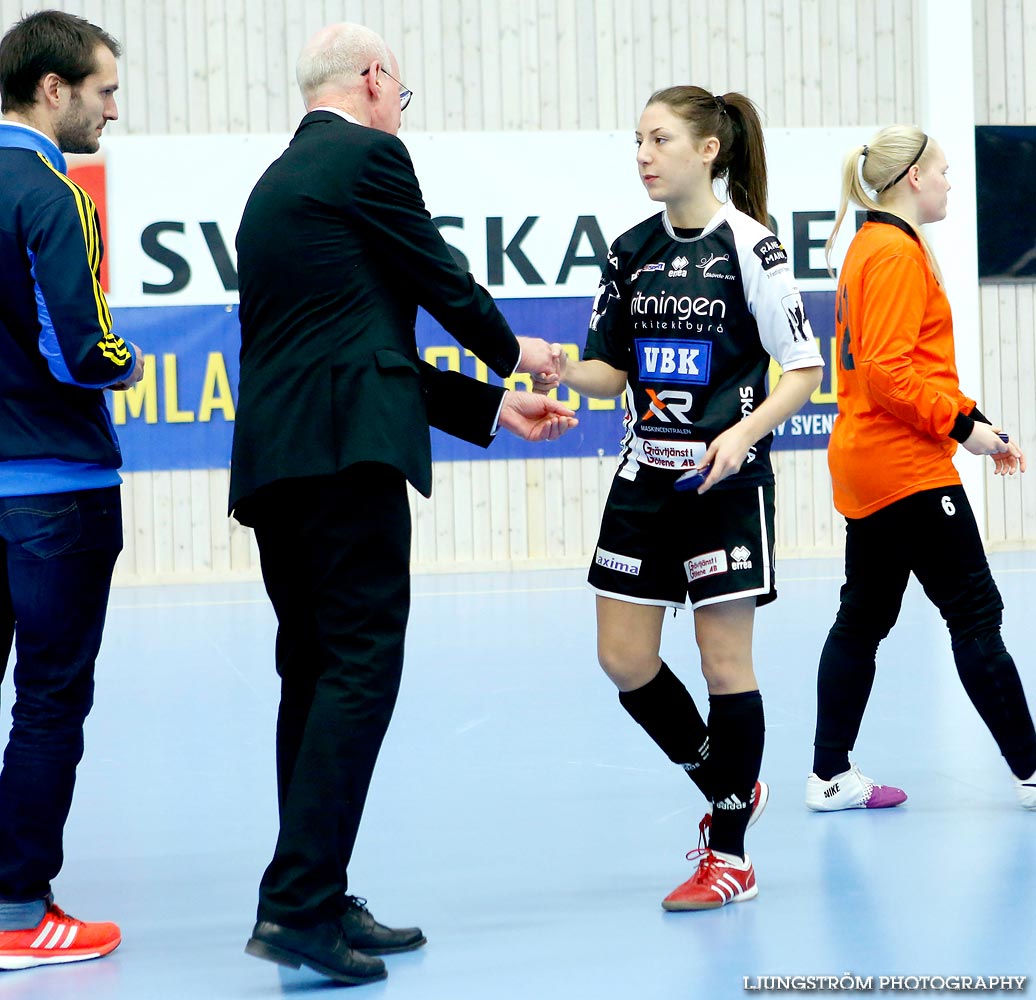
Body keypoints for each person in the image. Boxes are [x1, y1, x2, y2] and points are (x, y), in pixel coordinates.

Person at [229, 22, 576, 986]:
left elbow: (358, 349)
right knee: (359, 668)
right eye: (402, 92)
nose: (400, 110)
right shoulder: (370, 157)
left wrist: (491, 405)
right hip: (346, 464)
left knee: (313, 672)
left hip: (282, 463)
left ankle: (313, 891)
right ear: (376, 81)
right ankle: (299, 909)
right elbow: (437, 275)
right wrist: (518, 351)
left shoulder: (275, 188)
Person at [536, 88, 823, 910]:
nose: (643, 155)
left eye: (659, 139)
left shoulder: (754, 250)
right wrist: (556, 366)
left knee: (724, 662)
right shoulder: (629, 252)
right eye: (636, 141)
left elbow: (802, 370)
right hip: (645, 483)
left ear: (708, 149)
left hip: (724, 485)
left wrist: (744, 436)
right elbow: (609, 370)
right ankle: (728, 783)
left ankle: (730, 855)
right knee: (623, 659)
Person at [806, 126, 1036, 812]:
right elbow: (886, 373)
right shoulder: (896, 254)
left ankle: (829, 775)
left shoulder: (871, 245)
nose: (949, 182)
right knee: (975, 615)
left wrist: (975, 420)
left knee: (864, 617)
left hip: (871, 461)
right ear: (912, 179)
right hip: (905, 467)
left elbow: (916, 367)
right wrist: (962, 427)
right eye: (942, 171)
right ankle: (1031, 768)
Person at [0, 9, 143, 971]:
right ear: (53, 90)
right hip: (54, 487)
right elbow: (81, 350)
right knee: (49, 700)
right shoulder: (51, 191)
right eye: (104, 92)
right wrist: (128, 365)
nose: (111, 112)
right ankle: (17, 912)